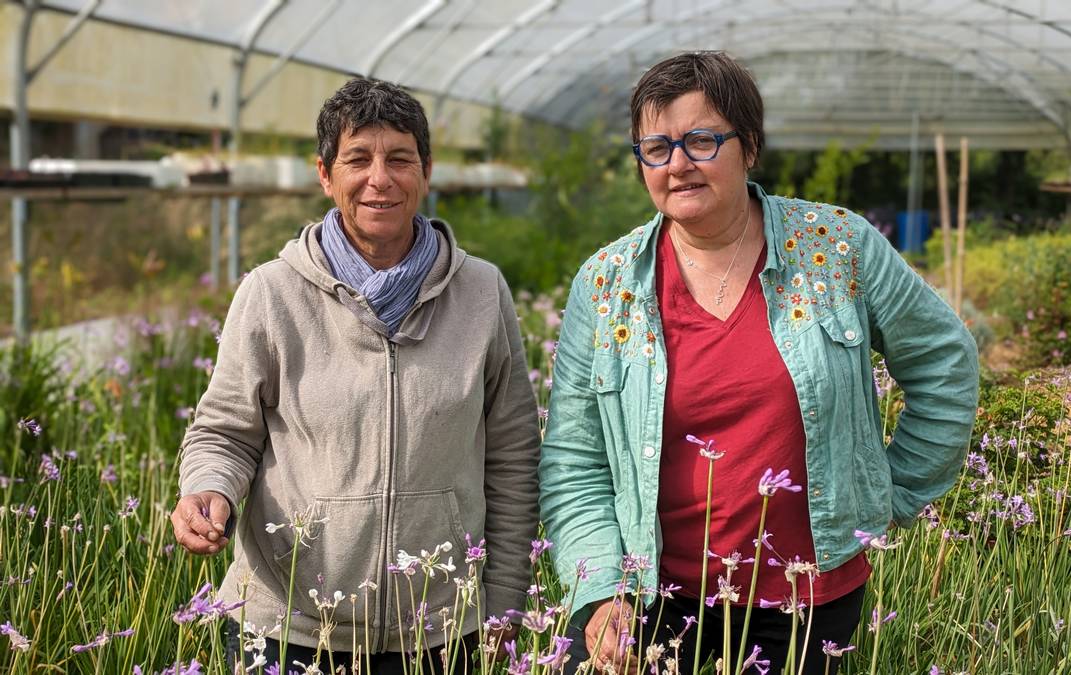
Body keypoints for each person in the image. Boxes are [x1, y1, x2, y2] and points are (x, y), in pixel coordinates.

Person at [539, 52, 979, 674]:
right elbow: (574, 461)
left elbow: (944, 363)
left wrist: (886, 496)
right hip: (654, 608)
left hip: (808, 607)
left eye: (701, 140)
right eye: (656, 147)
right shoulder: (608, 283)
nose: (679, 165)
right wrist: (600, 590)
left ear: (749, 147)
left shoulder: (835, 248)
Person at [170, 78, 540, 672]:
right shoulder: (272, 293)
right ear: (325, 174)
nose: (380, 178)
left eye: (400, 158)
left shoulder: (481, 292)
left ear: (426, 171)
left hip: (442, 630)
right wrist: (208, 488)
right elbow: (225, 432)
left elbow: (514, 457)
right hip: (289, 629)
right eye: (358, 159)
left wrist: (501, 607)